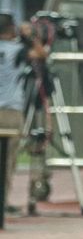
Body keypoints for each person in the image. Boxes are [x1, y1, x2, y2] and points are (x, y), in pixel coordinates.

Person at [0, 13, 45, 210]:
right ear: (11, 29)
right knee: (8, 159)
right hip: (10, 111)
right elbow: (41, 54)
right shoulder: (18, 49)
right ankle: (2, 201)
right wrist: (30, 36)